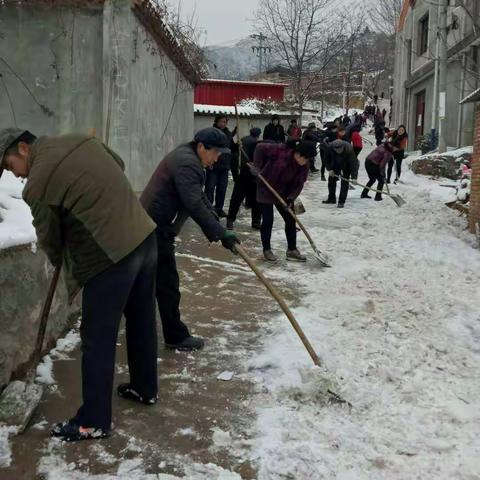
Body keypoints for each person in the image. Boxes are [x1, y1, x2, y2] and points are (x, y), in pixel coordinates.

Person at [0, 128, 158, 441]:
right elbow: (119, 164)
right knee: (141, 319)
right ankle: (144, 387)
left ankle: (93, 421)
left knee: (97, 338)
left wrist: (59, 258)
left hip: (111, 256)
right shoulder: (81, 139)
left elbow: (48, 237)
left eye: (9, 166)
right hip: (144, 237)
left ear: (22, 149)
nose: (13, 175)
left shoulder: (38, 183)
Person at [141, 128, 240, 352]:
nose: (217, 159)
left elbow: (200, 197)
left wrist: (219, 227)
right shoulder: (188, 164)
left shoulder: (189, 158)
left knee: (157, 285)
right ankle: (175, 336)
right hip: (153, 230)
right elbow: (194, 203)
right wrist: (220, 233)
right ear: (202, 147)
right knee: (167, 286)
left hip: (154, 228)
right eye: (215, 153)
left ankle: (170, 333)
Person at [252, 140, 316, 262]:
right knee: (268, 220)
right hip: (266, 188)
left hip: (284, 193)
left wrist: (291, 198)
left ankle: (292, 250)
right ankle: (267, 250)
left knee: (290, 219)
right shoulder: (280, 151)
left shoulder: (304, 165)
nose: (305, 162)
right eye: (304, 158)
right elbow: (259, 147)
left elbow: (299, 184)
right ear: (297, 153)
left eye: (308, 159)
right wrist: (257, 166)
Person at [226, 127, 262, 231]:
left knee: (238, 198)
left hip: (245, 174)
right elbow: (238, 155)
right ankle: (256, 221)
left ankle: (230, 220)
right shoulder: (253, 143)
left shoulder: (243, 140)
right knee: (252, 199)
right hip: (247, 174)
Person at [204, 115, 236, 217]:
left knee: (222, 188)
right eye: (221, 122)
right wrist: (208, 162)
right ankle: (208, 209)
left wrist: (238, 145)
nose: (222, 124)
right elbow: (207, 147)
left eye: (224, 122)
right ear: (216, 122)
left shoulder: (229, 134)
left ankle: (219, 208)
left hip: (225, 166)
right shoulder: (211, 133)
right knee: (210, 187)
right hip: (213, 165)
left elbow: (232, 147)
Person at [322, 139, 358, 208]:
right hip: (334, 165)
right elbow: (326, 159)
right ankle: (331, 198)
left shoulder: (349, 148)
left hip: (346, 166)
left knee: (344, 183)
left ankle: (341, 202)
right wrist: (329, 169)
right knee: (331, 181)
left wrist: (354, 177)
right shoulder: (330, 147)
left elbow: (353, 164)